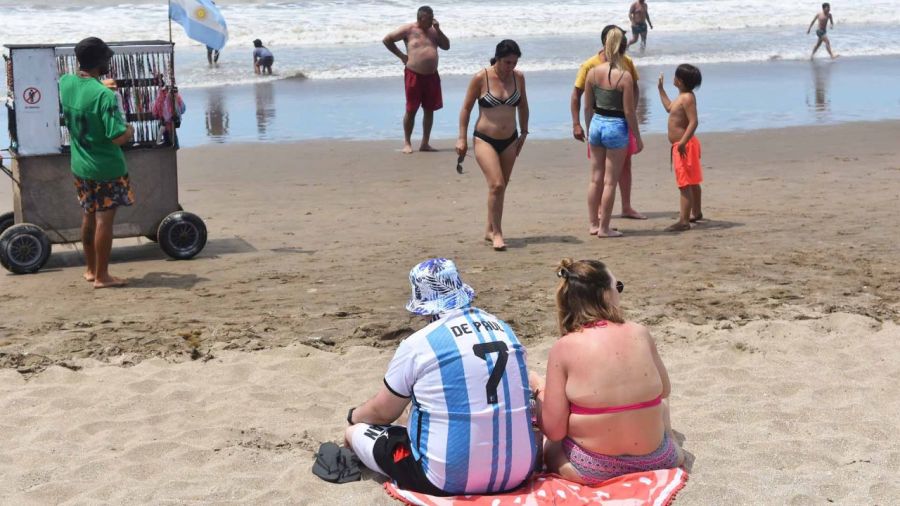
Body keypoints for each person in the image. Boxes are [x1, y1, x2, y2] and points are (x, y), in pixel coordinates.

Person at [345, 258, 537, 495]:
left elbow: (383, 412)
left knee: (357, 433)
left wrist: (354, 417)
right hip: (518, 471)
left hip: (447, 479)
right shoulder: (503, 329)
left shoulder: (419, 343)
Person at [530, 258, 684, 484]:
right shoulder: (640, 332)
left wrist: (538, 390)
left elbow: (554, 431)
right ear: (604, 294)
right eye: (617, 287)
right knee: (660, 402)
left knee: (551, 442)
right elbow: (665, 390)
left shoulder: (564, 347)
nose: (619, 293)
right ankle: (669, 438)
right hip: (660, 459)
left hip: (593, 469)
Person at [59, 37, 134, 289]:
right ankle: (103, 276)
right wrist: (130, 130)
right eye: (107, 59)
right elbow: (117, 137)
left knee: (88, 215)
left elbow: (85, 94)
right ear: (100, 61)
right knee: (105, 220)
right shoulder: (104, 96)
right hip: (106, 169)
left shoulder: (66, 82)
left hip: (80, 165)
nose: (109, 62)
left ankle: (90, 269)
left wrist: (103, 88)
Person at [457, 40, 529, 252]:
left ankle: (489, 228)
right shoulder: (482, 77)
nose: (511, 67)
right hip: (484, 139)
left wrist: (524, 132)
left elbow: (523, 105)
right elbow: (466, 109)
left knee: (501, 186)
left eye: (514, 62)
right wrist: (461, 138)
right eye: (507, 62)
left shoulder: (519, 77)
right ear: (497, 59)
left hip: (510, 139)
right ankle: (497, 233)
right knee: (496, 184)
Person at [571, 25, 646, 221]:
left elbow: (587, 107)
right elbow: (628, 110)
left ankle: (595, 224)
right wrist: (637, 135)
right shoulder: (621, 73)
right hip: (617, 125)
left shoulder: (594, 72)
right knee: (610, 181)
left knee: (596, 178)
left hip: (597, 123)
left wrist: (588, 127)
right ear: (622, 46)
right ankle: (604, 226)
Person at [383, 5, 450, 154]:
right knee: (411, 109)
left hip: (432, 76)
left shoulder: (434, 32)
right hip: (414, 75)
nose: (432, 20)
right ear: (420, 18)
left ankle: (425, 143)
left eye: (433, 16)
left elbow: (446, 46)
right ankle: (407, 142)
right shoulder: (408, 30)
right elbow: (387, 40)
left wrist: (439, 30)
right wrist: (401, 56)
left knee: (429, 110)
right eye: (429, 18)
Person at [658, 64, 703, 232]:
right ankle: (696, 212)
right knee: (691, 181)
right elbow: (669, 108)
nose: (674, 78)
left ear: (681, 81)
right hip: (683, 144)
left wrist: (683, 142)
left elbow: (694, 121)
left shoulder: (688, 98)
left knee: (684, 183)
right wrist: (661, 90)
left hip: (684, 146)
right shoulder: (681, 96)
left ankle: (684, 220)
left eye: (676, 76)